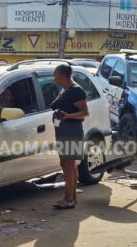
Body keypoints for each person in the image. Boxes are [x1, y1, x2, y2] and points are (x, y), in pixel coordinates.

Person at [51, 63, 89, 209]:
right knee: (68, 164)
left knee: (68, 165)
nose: (54, 77)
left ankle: (69, 199)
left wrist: (68, 116)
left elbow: (84, 112)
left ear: (62, 75)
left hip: (71, 130)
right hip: (63, 130)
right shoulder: (65, 90)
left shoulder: (76, 90)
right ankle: (70, 197)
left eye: (55, 74)